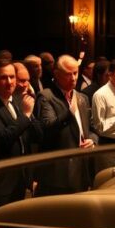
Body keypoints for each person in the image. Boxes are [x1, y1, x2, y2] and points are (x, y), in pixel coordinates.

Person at [0, 60, 42, 207]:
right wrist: (26, 115)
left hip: (22, 178)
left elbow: (38, 135)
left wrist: (30, 114)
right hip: (2, 181)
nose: (9, 82)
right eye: (4, 78)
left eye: (12, 77)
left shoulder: (16, 100)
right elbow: (3, 138)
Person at [36, 54, 97, 195]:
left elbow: (92, 128)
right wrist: (69, 113)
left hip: (81, 167)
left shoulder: (82, 97)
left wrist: (92, 140)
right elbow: (48, 129)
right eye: (68, 74)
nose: (73, 78)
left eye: (75, 73)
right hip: (58, 172)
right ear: (57, 74)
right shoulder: (46, 96)